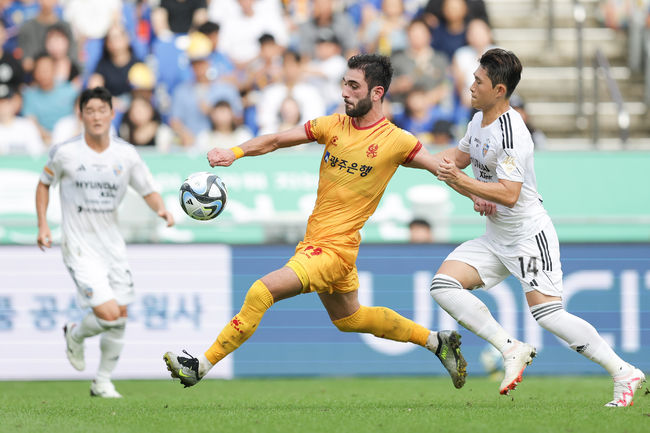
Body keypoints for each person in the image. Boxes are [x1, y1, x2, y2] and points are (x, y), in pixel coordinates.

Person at [163, 54, 468, 389]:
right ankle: (437, 342)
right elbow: (277, 139)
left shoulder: (396, 140)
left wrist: (480, 195)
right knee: (350, 319)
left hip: (332, 251)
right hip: (323, 244)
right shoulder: (332, 125)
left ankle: (200, 366)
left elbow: (441, 168)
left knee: (261, 291)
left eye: (354, 86)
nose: (345, 93)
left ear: (377, 93)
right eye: (344, 84)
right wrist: (233, 153)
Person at [430, 48, 645, 406]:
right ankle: (509, 347)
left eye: (478, 81)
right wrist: (406, 154)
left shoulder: (512, 133)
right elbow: (456, 161)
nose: (470, 85)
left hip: (528, 237)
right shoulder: (477, 121)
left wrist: (466, 185)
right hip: (496, 237)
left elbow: (509, 195)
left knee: (549, 314)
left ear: (499, 90)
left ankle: (624, 371)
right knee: (443, 285)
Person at [35, 86, 174, 398]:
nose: (96, 116)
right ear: (81, 115)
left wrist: (161, 209)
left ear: (113, 113)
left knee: (120, 317)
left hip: (112, 245)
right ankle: (75, 334)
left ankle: (102, 381)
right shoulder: (65, 153)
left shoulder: (125, 154)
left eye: (102, 110)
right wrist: (43, 224)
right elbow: (43, 185)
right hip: (79, 245)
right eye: (90, 111)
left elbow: (146, 188)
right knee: (109, 314)